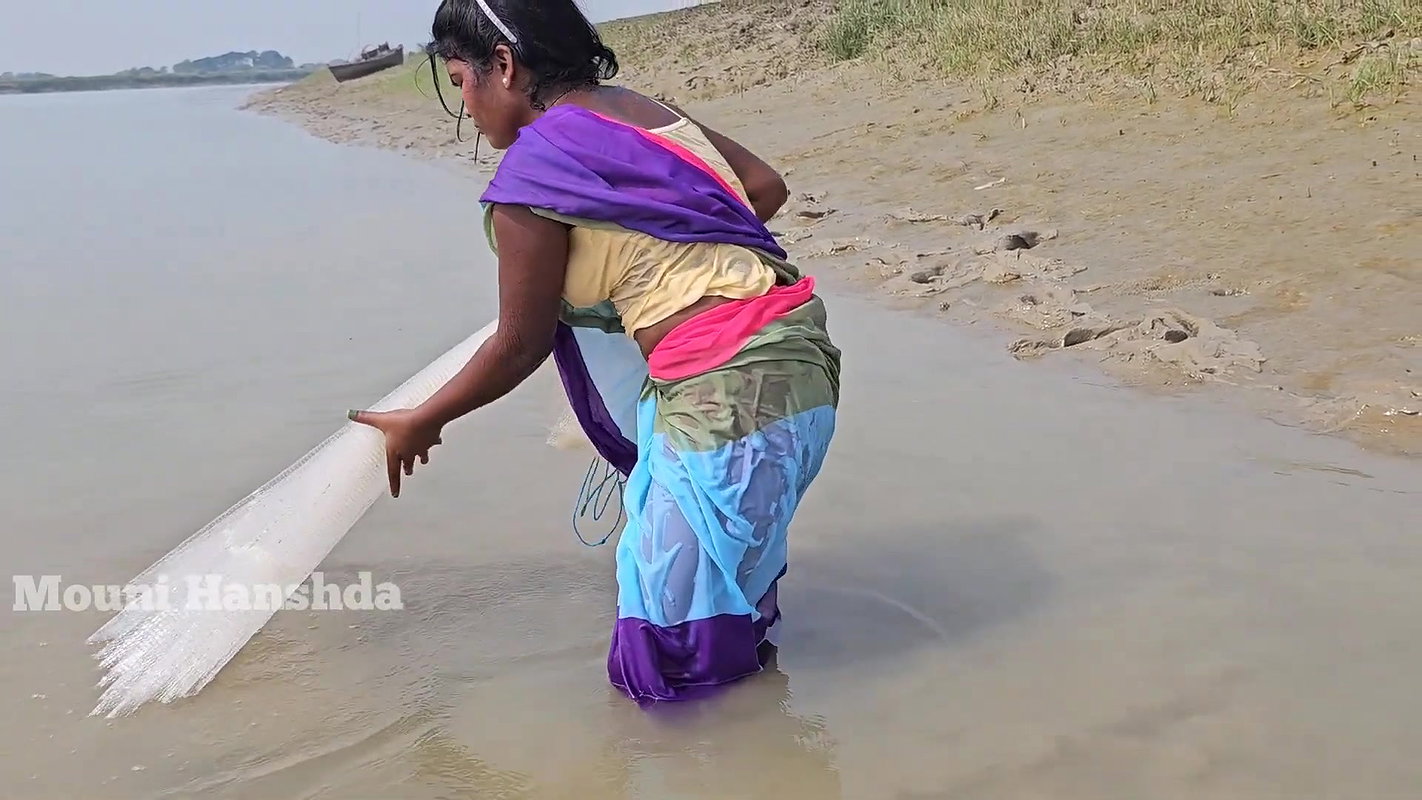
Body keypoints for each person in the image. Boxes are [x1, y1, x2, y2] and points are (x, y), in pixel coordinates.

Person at [350, 0, 841, 705]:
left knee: (663, 666)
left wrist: (424, 418)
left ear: (503, 65)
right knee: (734, 613)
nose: (467, 109)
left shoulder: (534, 172)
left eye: (461, 83)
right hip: (802, 365)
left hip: (722, 396)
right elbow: (762, 187)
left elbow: (518, 344)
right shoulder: (648, 112)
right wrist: (662, 259)